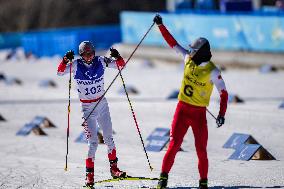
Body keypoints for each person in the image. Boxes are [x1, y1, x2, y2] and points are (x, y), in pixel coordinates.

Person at [153, 15, 228, 189]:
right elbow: (172, 43)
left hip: (199, 115)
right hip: (182, 110)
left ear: (201, 53)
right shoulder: (187, 58)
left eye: (194, 50)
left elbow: (224, 93)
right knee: (173, 145)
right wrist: (160, 26)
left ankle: (203, 182)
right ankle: (163, 179)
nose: (191, 52)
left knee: (201, 150)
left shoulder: (212, 71)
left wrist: (221, 114)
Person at [57, 41, 127, 188]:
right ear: (81, 55)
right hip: (87, 108)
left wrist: (117, 56)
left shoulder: (101, 60)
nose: (89, 57)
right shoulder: (76, 65)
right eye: (86, 54)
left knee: (109, 138)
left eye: (91, 53)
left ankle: (114, 169)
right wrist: (64, 60)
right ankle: (89, 176)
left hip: (102, 105)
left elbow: (121, 66)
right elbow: (60, 72)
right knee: (93, 143)